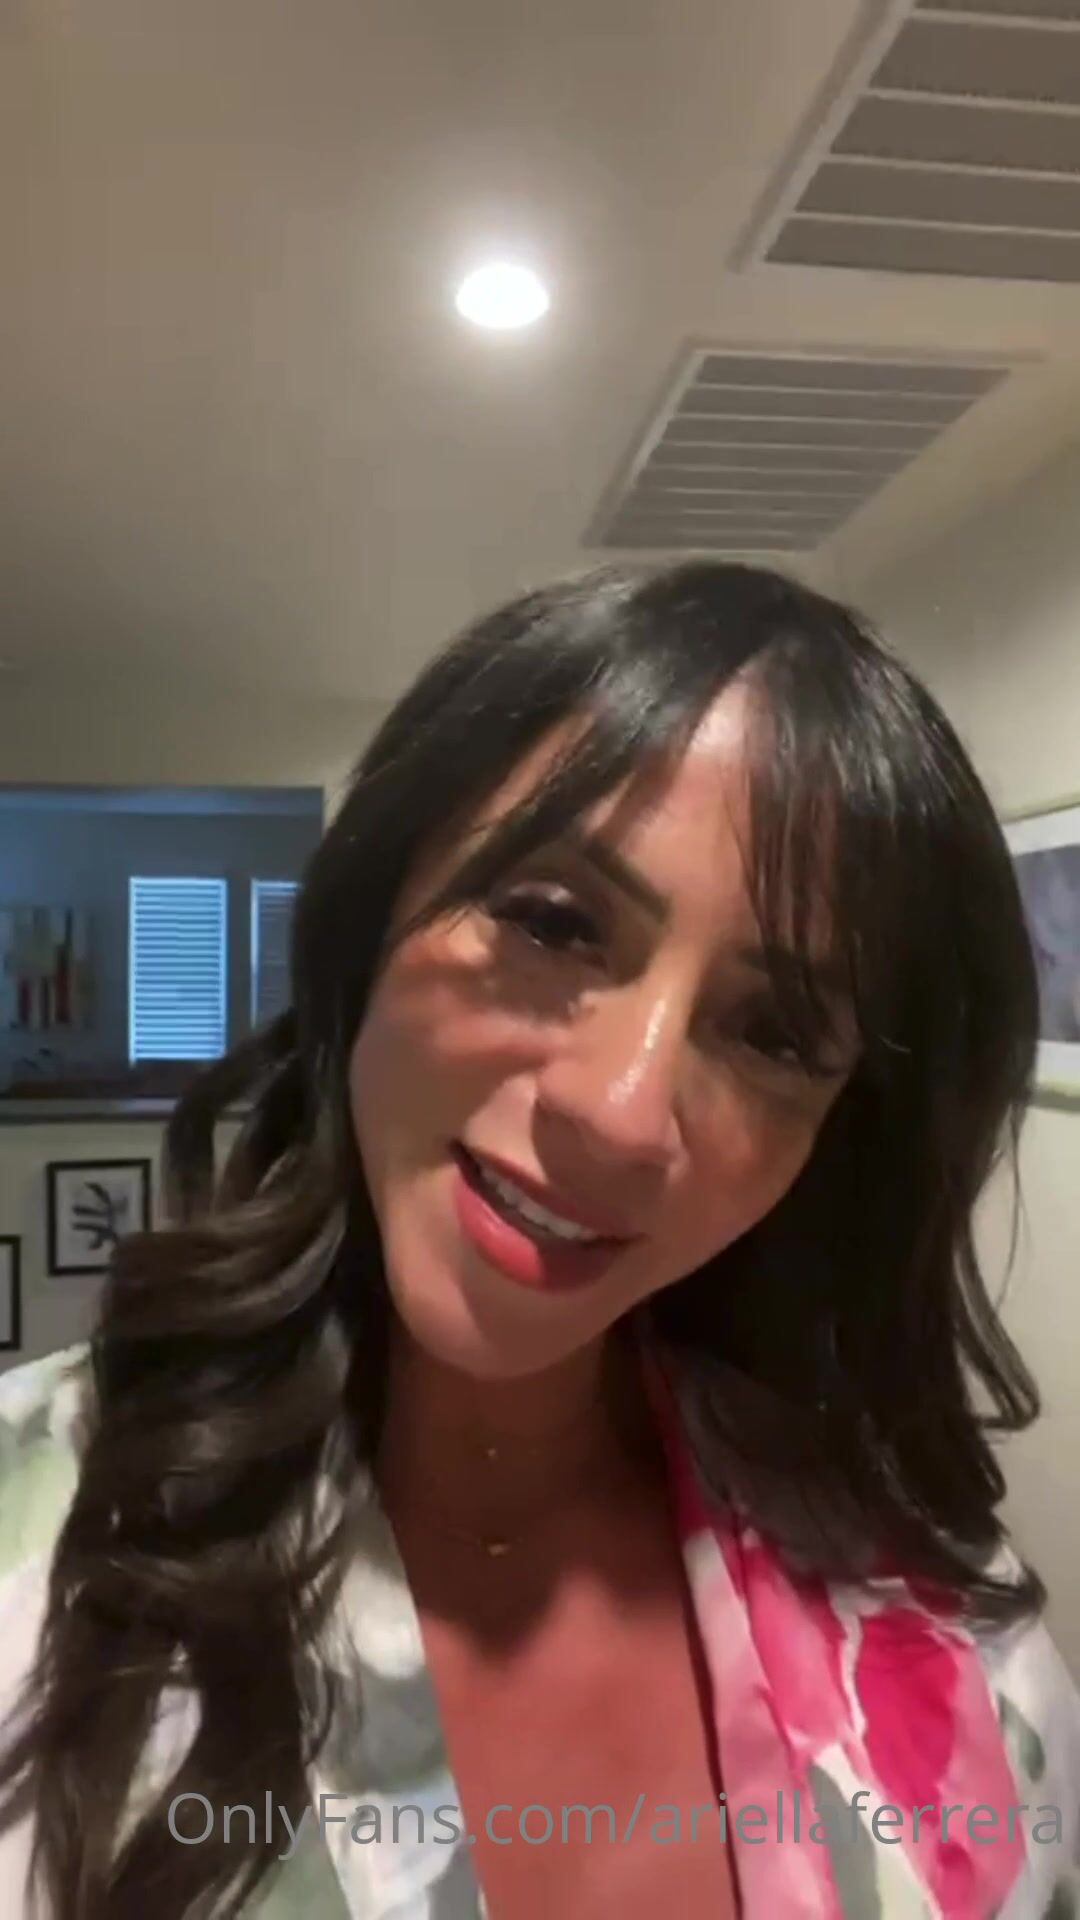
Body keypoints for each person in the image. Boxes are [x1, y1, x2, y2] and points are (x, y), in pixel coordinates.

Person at [0, 560, 1077, 1920]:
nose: (623, 1113)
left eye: (773, 1031)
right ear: (374, 915)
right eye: (554, 924)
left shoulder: (950, 1637)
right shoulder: (33, 1550)